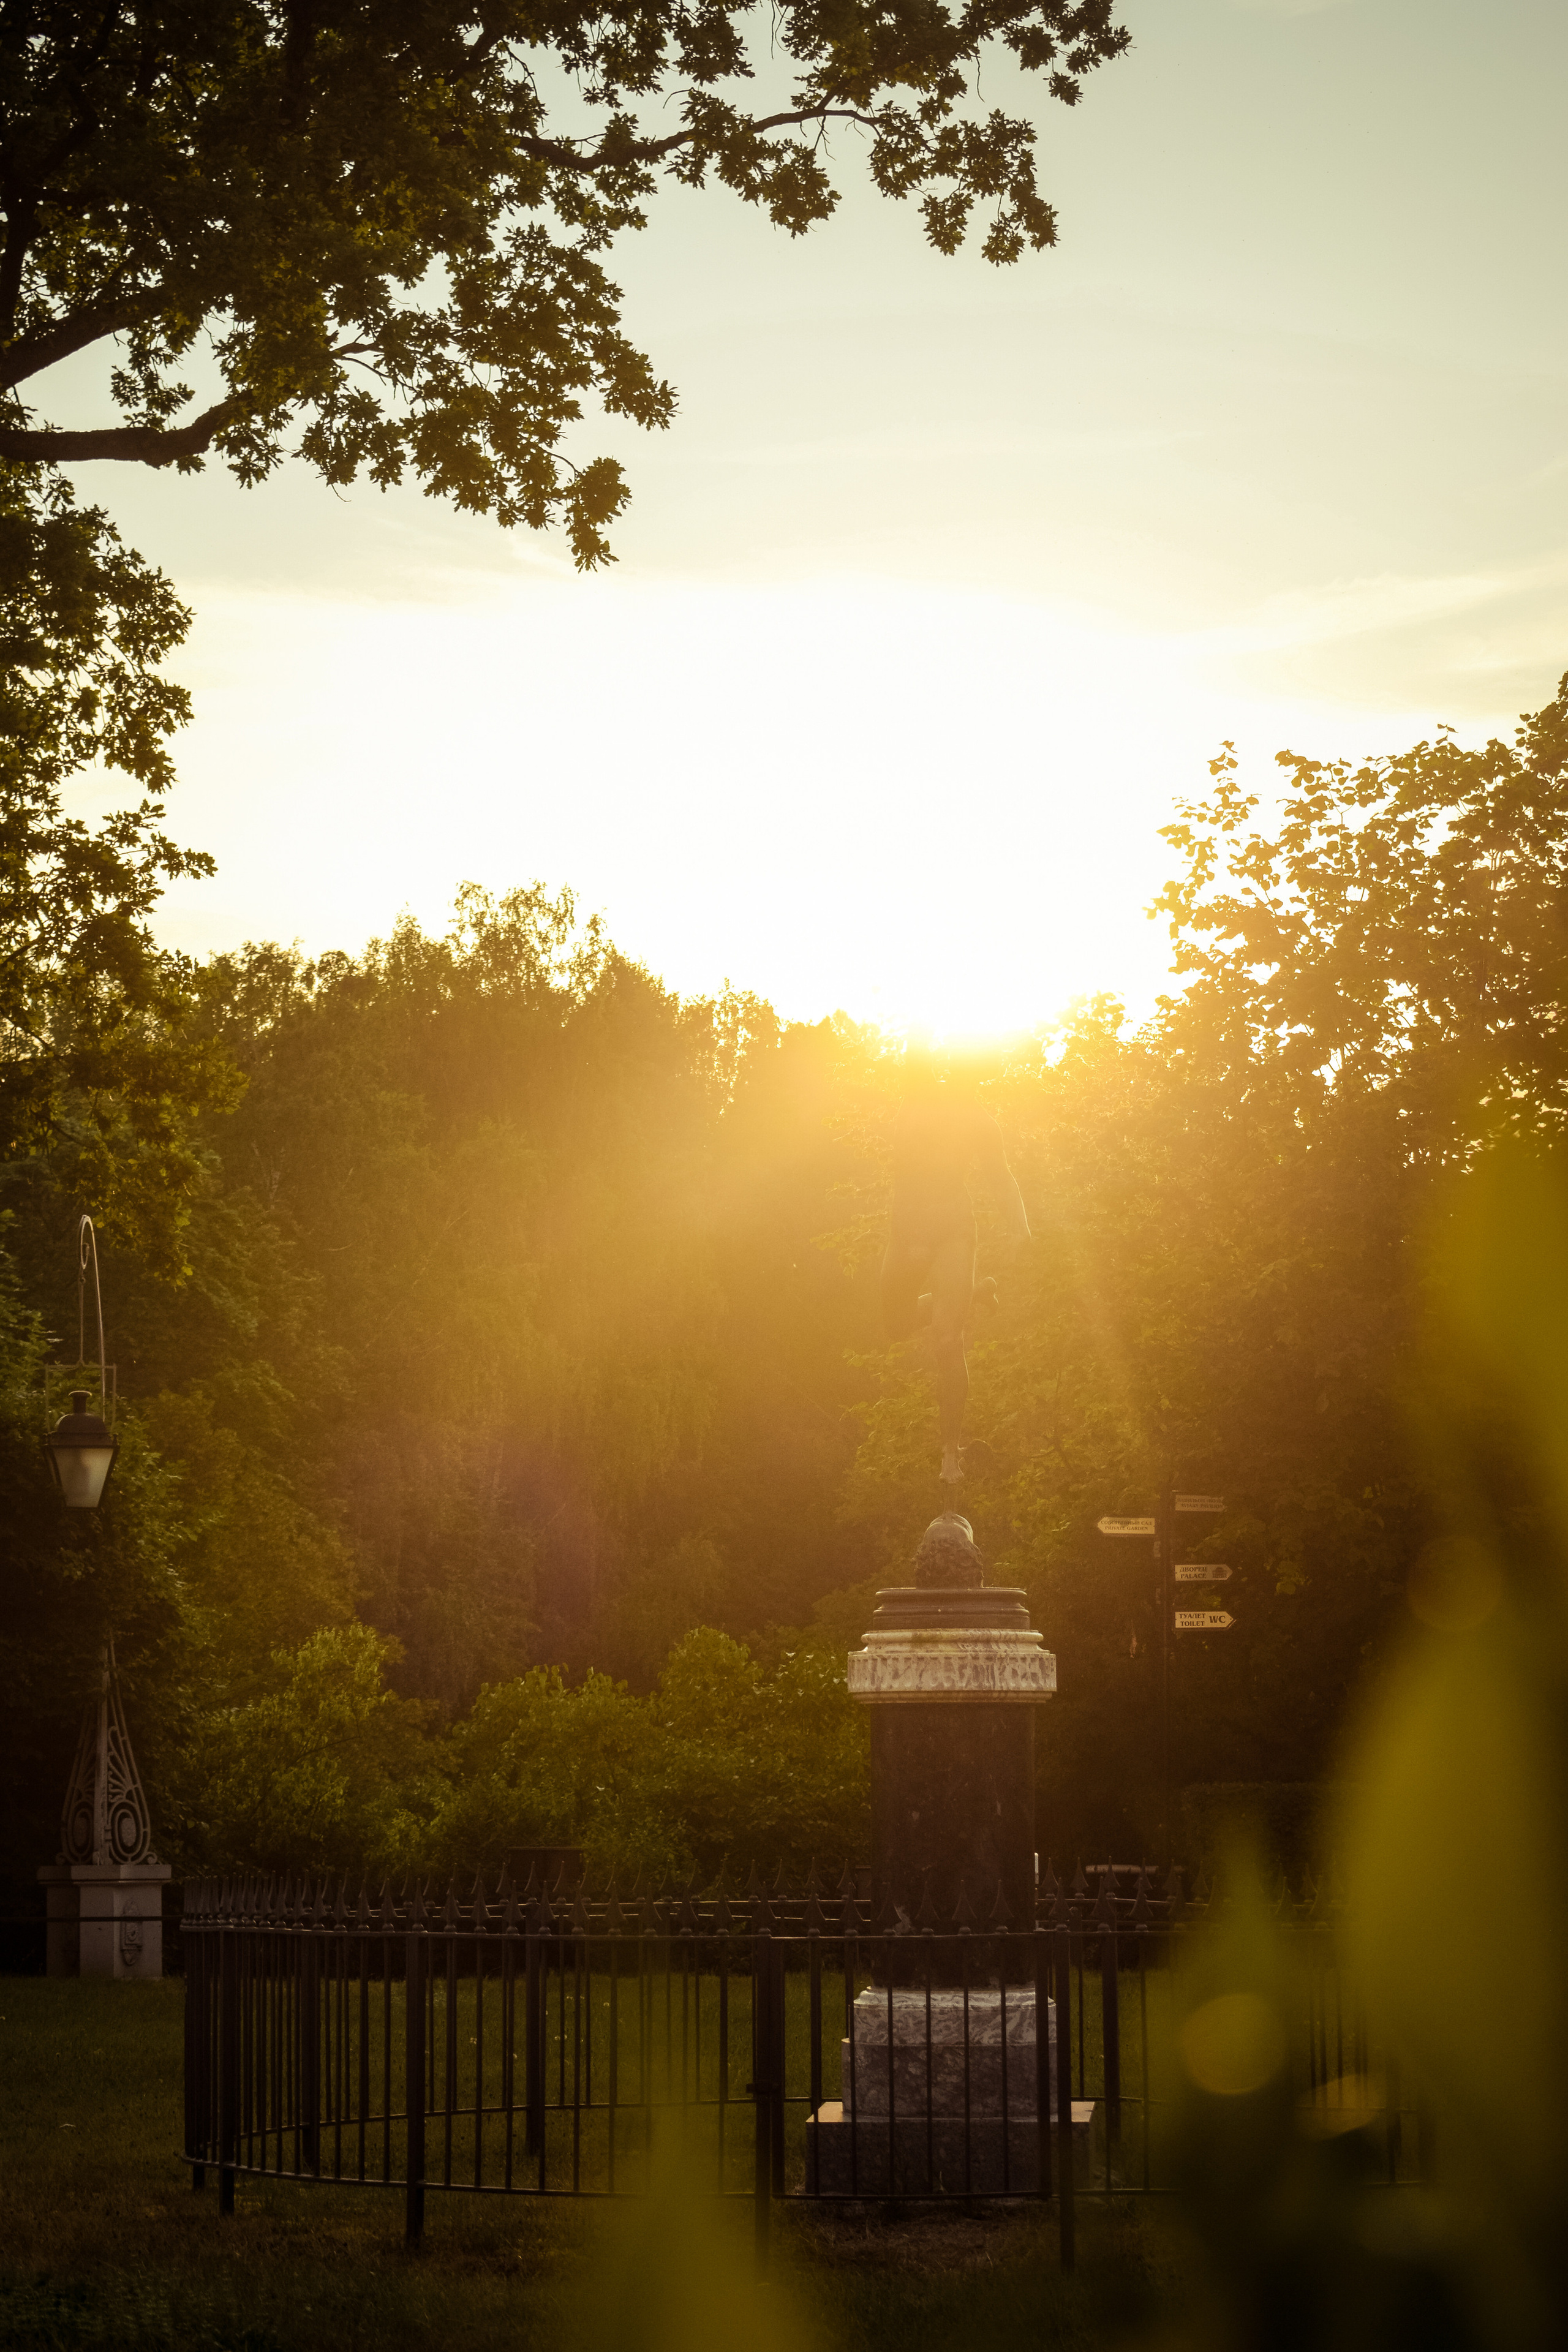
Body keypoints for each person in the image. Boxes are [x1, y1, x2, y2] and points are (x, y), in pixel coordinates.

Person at [880, 1066, 1030, 1483]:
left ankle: (951, 1454)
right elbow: (917, 1040)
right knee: (895, 1325)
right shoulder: (916, 1088)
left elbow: (1002, 1178)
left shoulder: (980, 1121)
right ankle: (973, 1294)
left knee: (948, 1340)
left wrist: (1021, 1231)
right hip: (906, 1231)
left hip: (953, 1232)